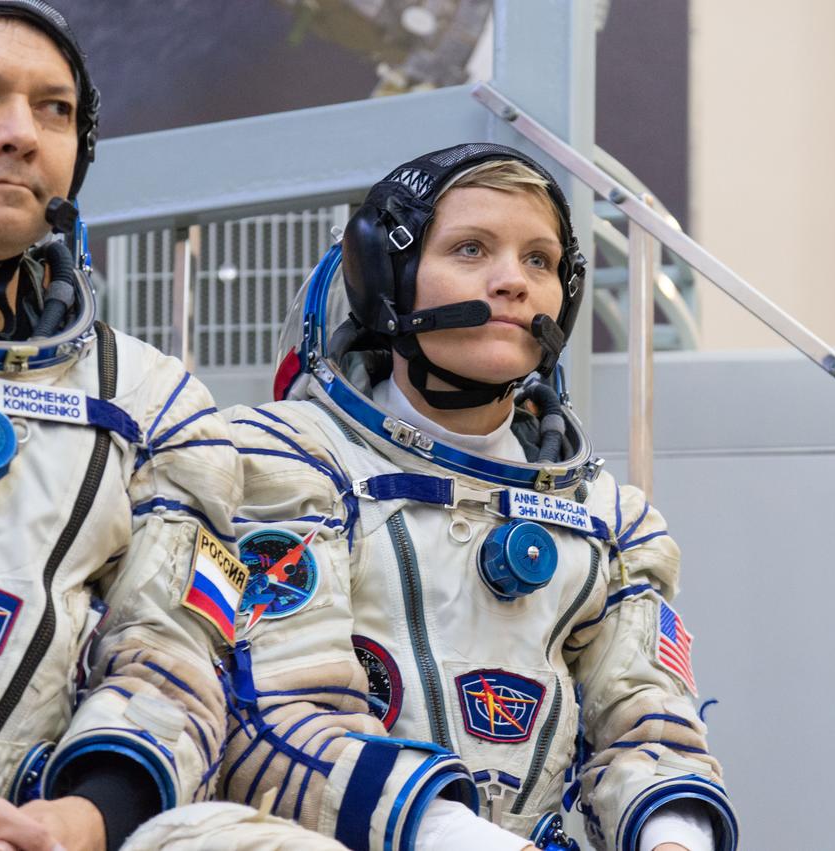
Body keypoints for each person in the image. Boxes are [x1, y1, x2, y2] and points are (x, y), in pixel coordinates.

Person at [221, 143, 739, 851]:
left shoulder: (607, 520)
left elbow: (650, 727)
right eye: (470, 249)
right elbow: (274, 718)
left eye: (540, 260)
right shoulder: (284, 462)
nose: (513, 282)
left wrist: (672, 839)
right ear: (386, 277)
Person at [0, 2, 248, 849]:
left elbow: (176, 653)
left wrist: (80, 820)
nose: (21, 135)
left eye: (55, 109)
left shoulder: (153, 403)